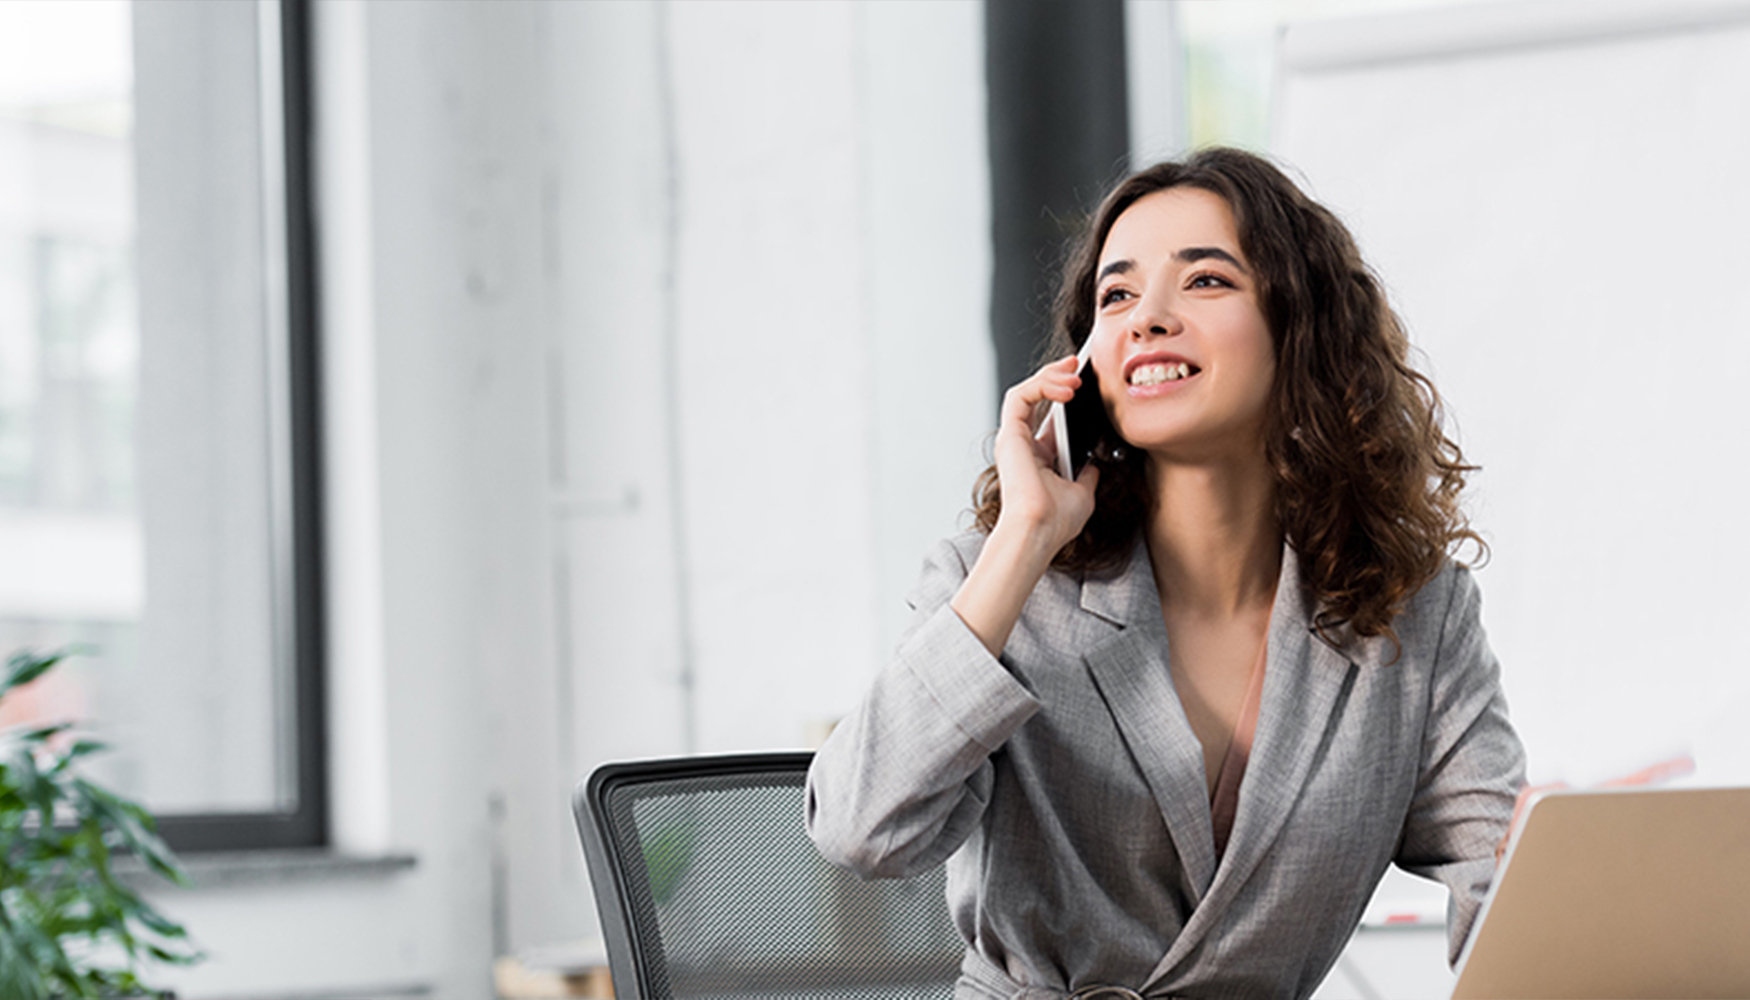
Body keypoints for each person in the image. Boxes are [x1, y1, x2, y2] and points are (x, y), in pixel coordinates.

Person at [805, 147, 1526, 1000]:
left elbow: (1508, 888)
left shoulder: (1414, 611)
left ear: (1300, 329)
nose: (1146, 317)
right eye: (1116, 295)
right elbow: (861, 830)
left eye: (1206, 281)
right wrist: (1024, 537)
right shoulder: (993, 584)